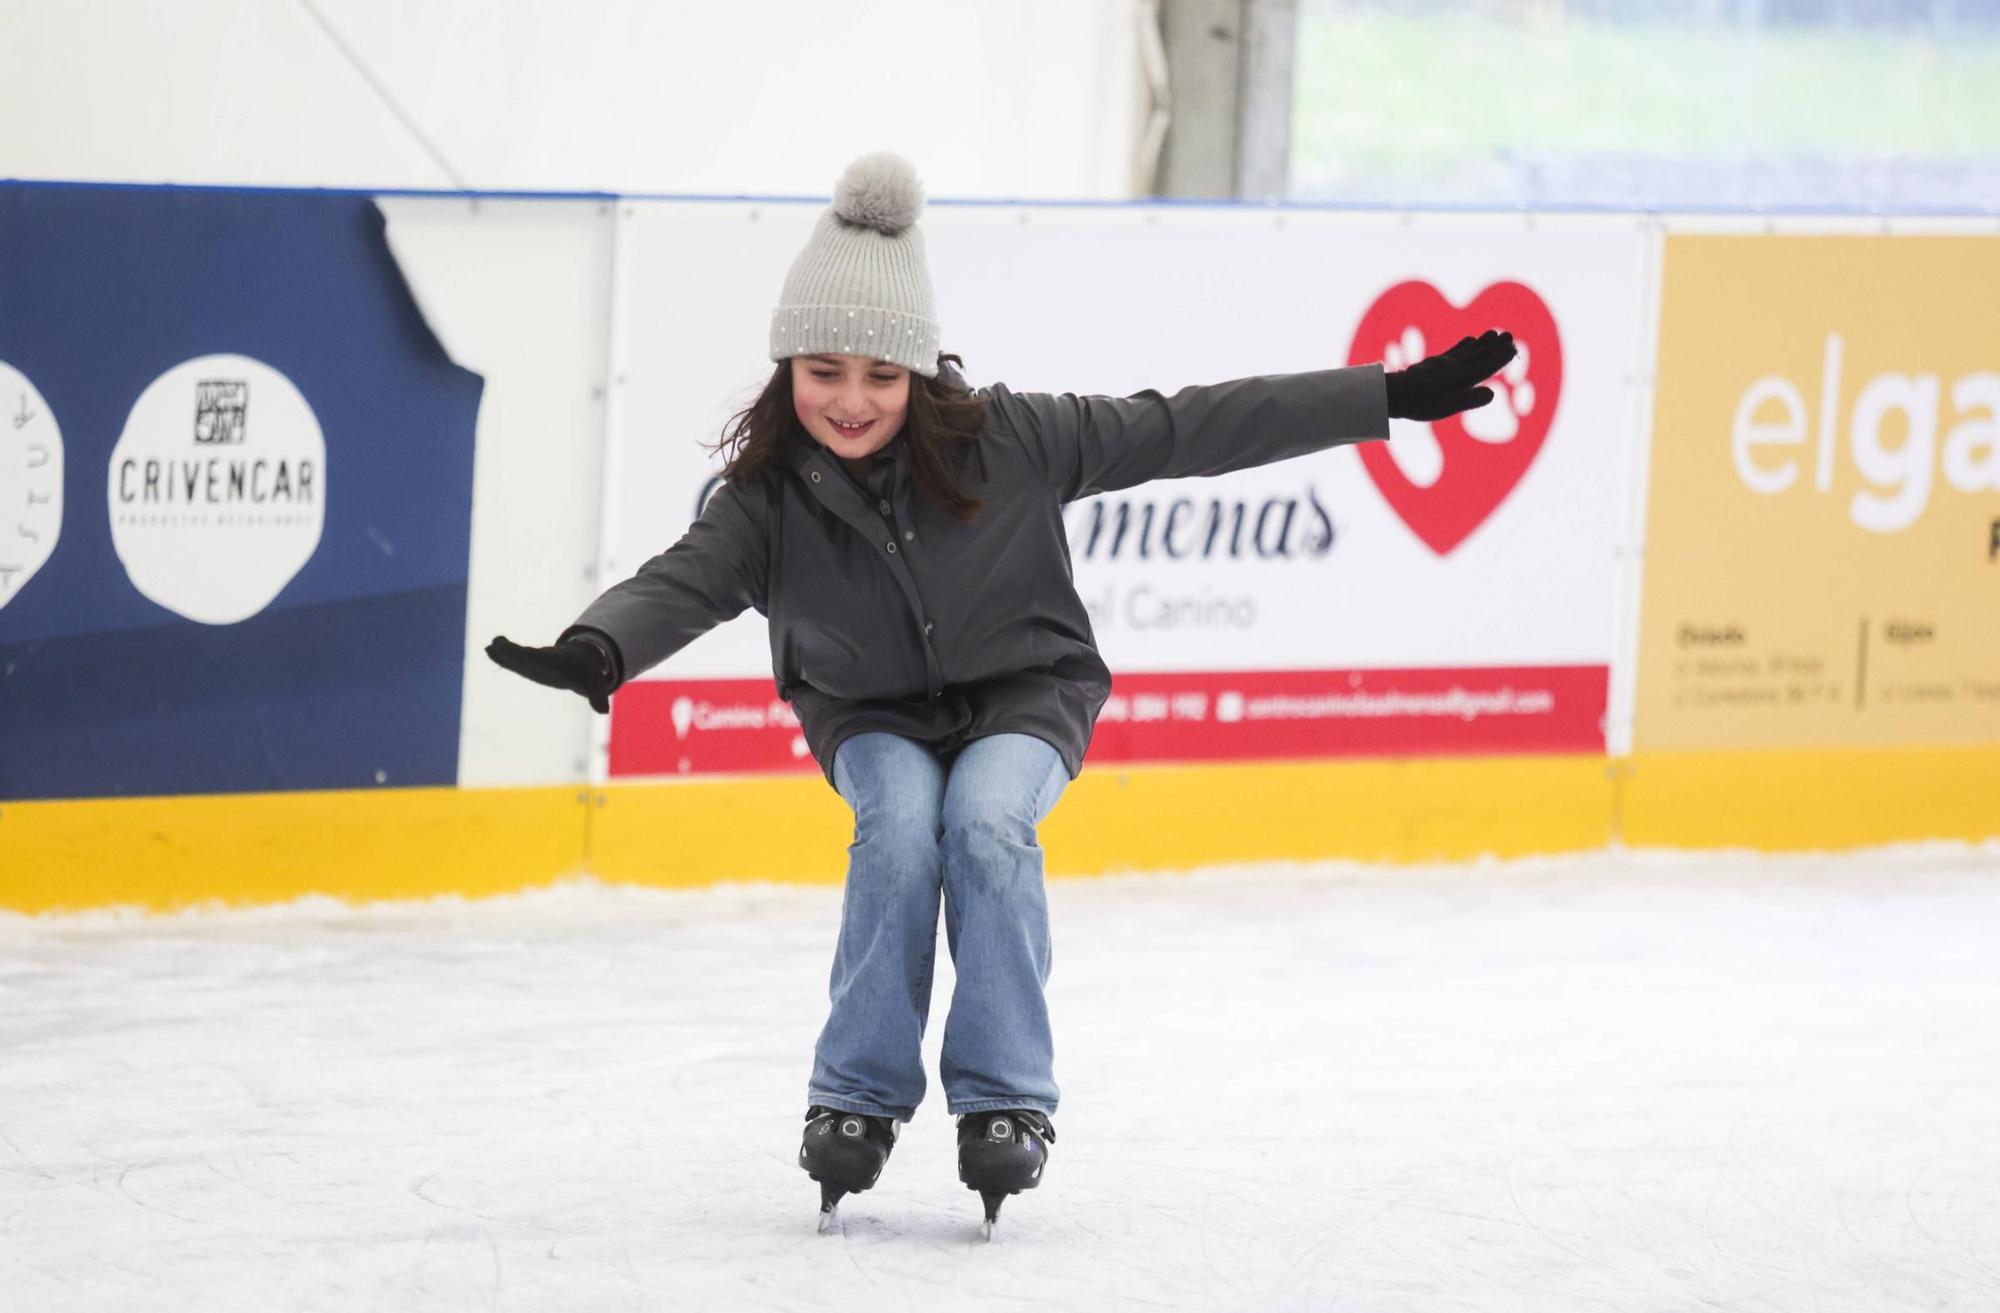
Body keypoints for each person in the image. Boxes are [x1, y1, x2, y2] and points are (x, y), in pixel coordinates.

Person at [486, 151, 1515, 1236]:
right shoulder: (766, 501)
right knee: (896, 829)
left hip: (1025, 692)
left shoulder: (1012, 440)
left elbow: (1189, 424)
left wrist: (1382, 395)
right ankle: (855, 1095)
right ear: (788, 366)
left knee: (983, 823)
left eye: (881, 374)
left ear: (921, 372)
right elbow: (682, 582)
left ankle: (1004, 1097)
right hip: (869, 712)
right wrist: (600, 649)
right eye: (823, 370)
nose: (849, 399)